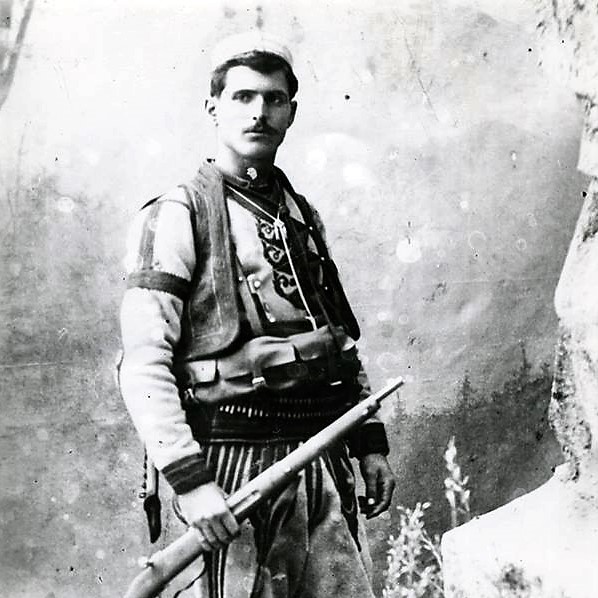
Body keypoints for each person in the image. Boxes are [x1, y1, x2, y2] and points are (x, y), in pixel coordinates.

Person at [119, 31, 396, 598]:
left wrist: (369, 444)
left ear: (292, 112)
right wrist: (192, 483)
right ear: (213, 108)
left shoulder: (300, 214)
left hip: (321, 457)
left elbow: (336, 339)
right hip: (231, 468)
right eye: (242, 97)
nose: (259, 112)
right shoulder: (177, 213)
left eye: (274, 99)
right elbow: (144, 361)